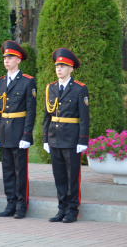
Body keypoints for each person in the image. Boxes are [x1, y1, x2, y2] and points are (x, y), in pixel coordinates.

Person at [43, 48, 89, 223]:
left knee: (72, 176)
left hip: (71, 138)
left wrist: (83, 140)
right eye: (57, 66)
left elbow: (84, 117)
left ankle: (72, 209)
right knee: (59, 176)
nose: (59, 69)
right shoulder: (51, 88)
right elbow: (47, 115)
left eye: (63, 66)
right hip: (54, 137)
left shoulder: (79, 89)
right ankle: (61, 209)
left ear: (71, 69)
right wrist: (45, 138)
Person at [0, 40, 36, 219]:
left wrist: (27, 135)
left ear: (18, 60)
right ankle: (10, 203)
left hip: (18, 131)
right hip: (4, 131)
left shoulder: (27, 82)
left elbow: (31, 111)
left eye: (10, 57)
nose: (6, 60)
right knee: (7, 170)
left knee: (20, 170)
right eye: (5, 58)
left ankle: (21, 204)